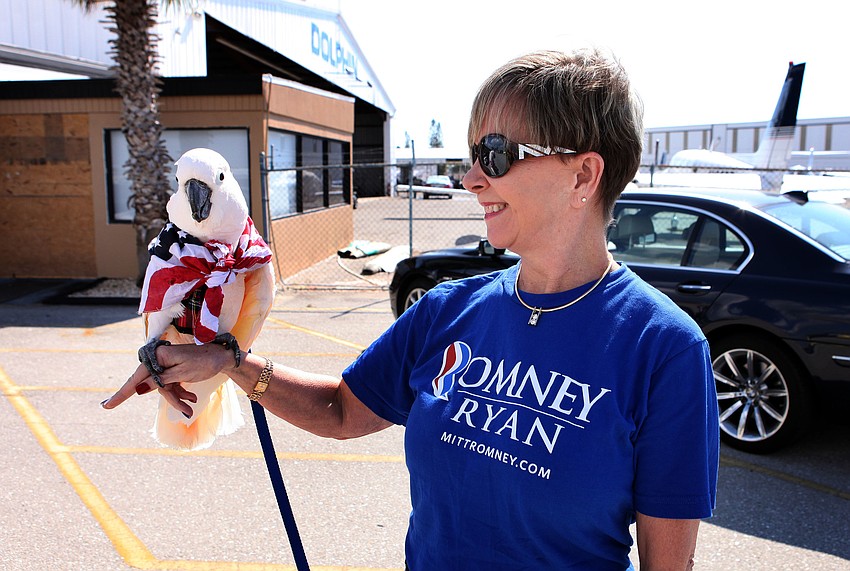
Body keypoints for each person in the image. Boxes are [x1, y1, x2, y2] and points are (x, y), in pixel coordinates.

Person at [103, 47, 719, 570]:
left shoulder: (663, 347)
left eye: (497, 155)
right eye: (471, 155)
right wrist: (227, 360)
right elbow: (342, 410)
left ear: (584, 175)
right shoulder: (447, 310)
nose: (471, 178)